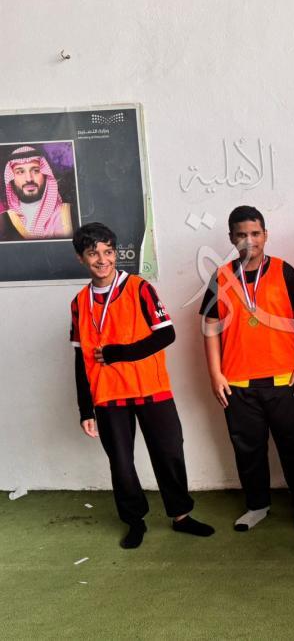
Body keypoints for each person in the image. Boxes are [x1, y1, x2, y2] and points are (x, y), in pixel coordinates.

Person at [70, 223, 214, 548]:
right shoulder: (79, 303)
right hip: (108, 395)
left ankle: (181, 516)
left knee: (169, 453)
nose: (102, 260)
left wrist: (119, 353)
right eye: (93, 253)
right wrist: (85, 409)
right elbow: (81, 359)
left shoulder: (140, 288)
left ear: (116, 253)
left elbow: (166, 335)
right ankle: (135, 521)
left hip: (151, 389)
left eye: (108, 252)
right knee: (121, 463)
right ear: (81, 258)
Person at [200, 206, 294, 532]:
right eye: (241, 235)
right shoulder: (221, 277)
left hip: (285, 379)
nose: (249, 240)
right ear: (231, 238)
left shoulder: (284, 272)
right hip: (238, 382)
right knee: (248, 449)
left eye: (255, 233)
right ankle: (256, 505)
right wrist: (215, 374)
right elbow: (210, 328)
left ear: (265, 235)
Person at [1, 145, 73, 240]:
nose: (29, 179)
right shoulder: (4, 220)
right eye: (20, 172)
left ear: (45, 175)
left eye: (35, 171)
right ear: (11, 178)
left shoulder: (67, 214)